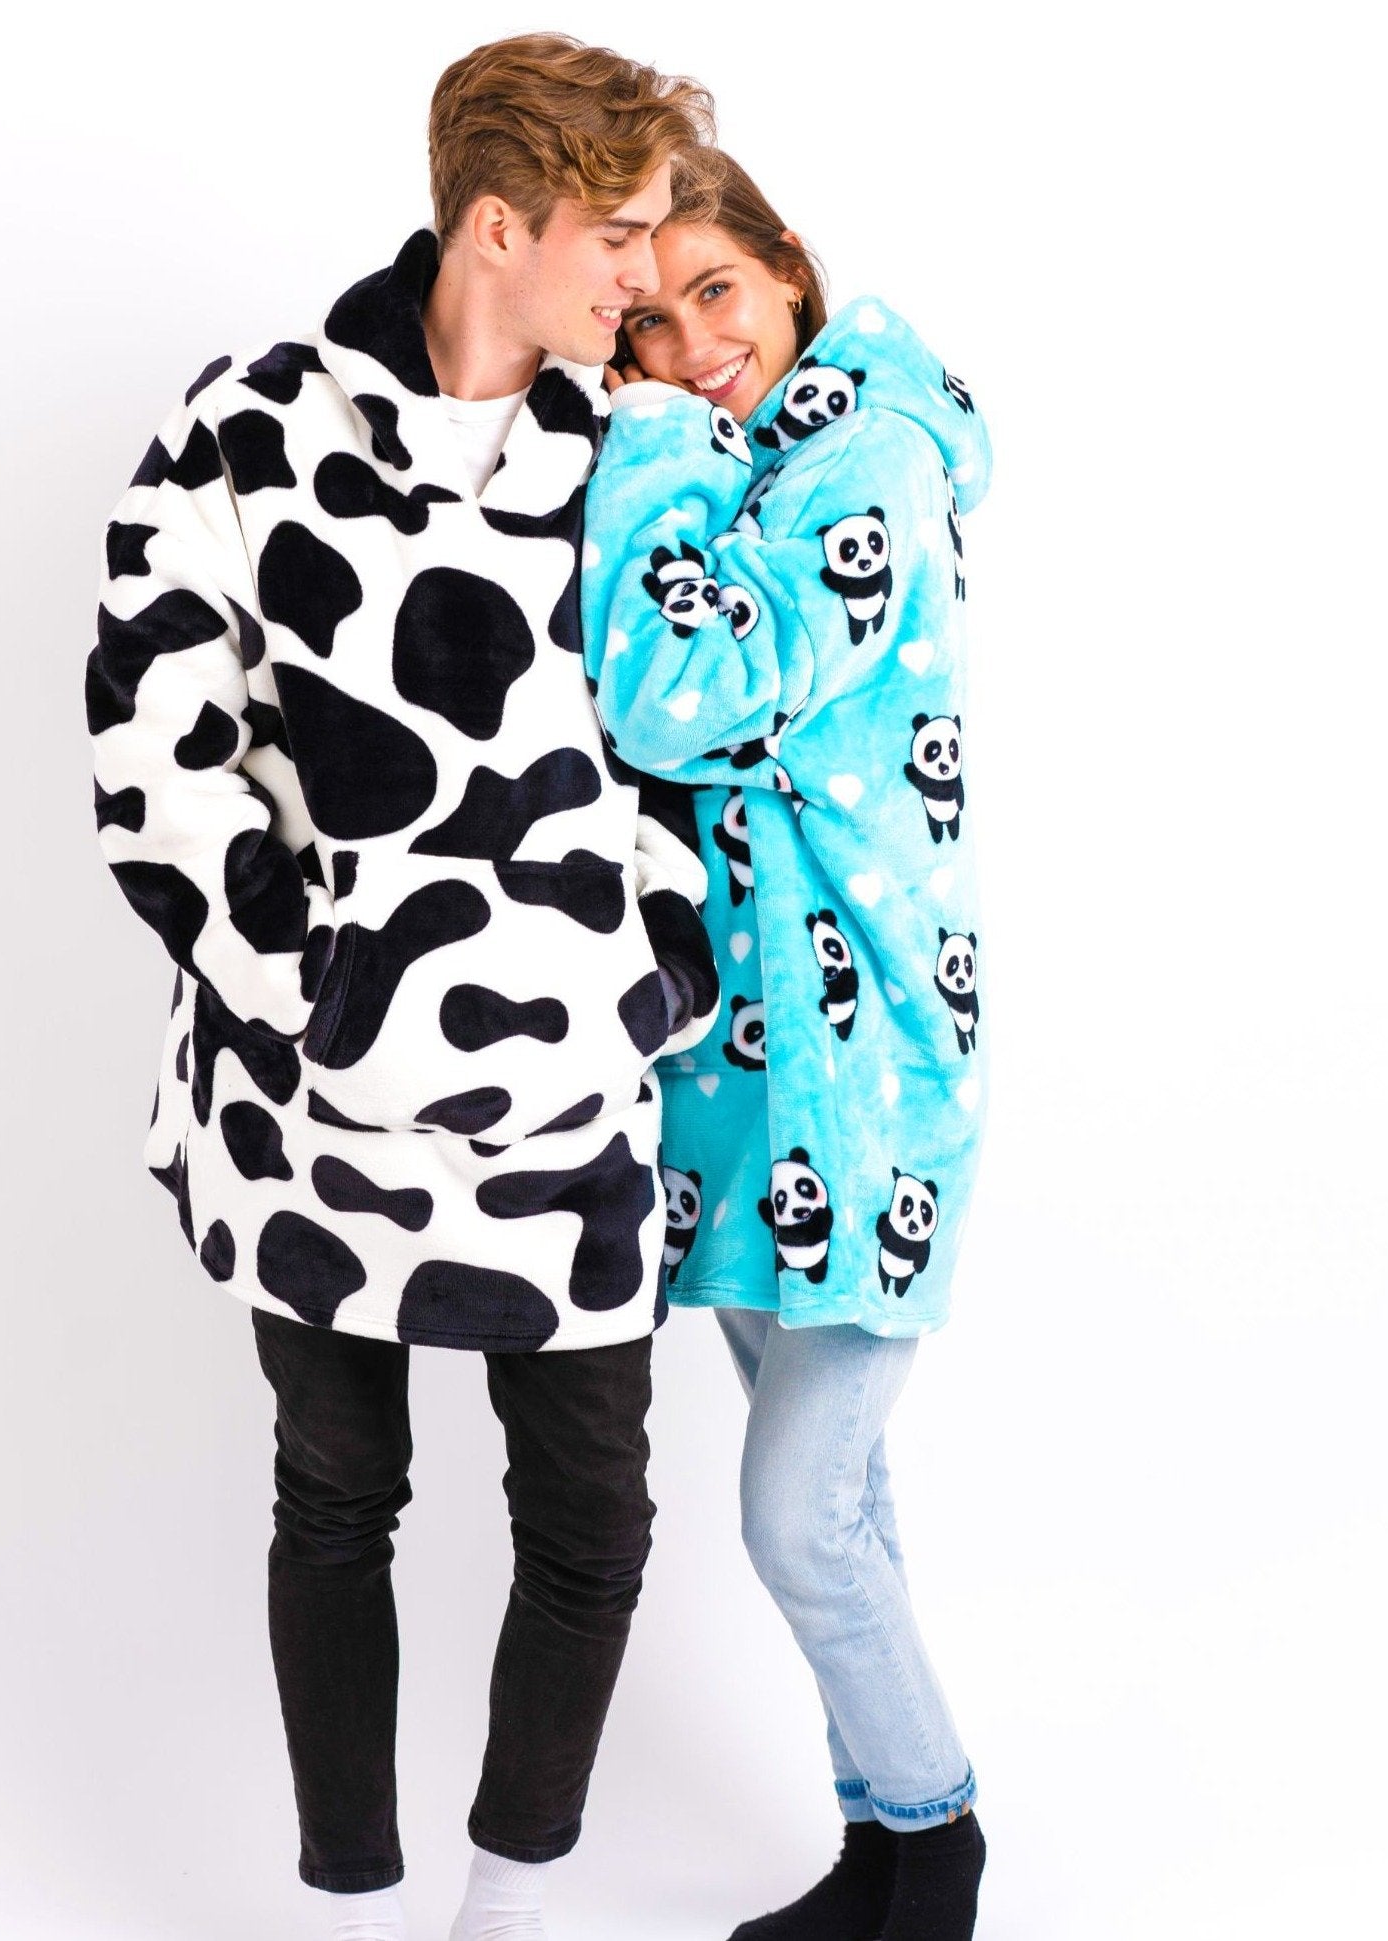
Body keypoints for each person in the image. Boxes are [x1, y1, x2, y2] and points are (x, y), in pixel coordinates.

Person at [83, 36, 724, 1941]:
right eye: (619, 233)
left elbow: (700, 748)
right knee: (336, 1490)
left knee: (593, 1517)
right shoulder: (246, 430)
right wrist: (317, 985)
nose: (646, 273)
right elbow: (155, 745)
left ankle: (507, 1908)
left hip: (571, 1102)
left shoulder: (641, 456)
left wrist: (651, 976)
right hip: (309, 1105)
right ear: (496, 226)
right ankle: (352, 1908)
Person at [579, 150, 995, 1941]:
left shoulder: (861, 462)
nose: (688, 350)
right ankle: (880, 1848)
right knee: (845, 1501)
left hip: (863, 1081)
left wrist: (643, 448)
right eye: (647, 331)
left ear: (790, 273)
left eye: (717, 296)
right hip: (742, 1085)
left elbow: (675, 692)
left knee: (794, 1517)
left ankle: (940, 1839)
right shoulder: (748, 462)